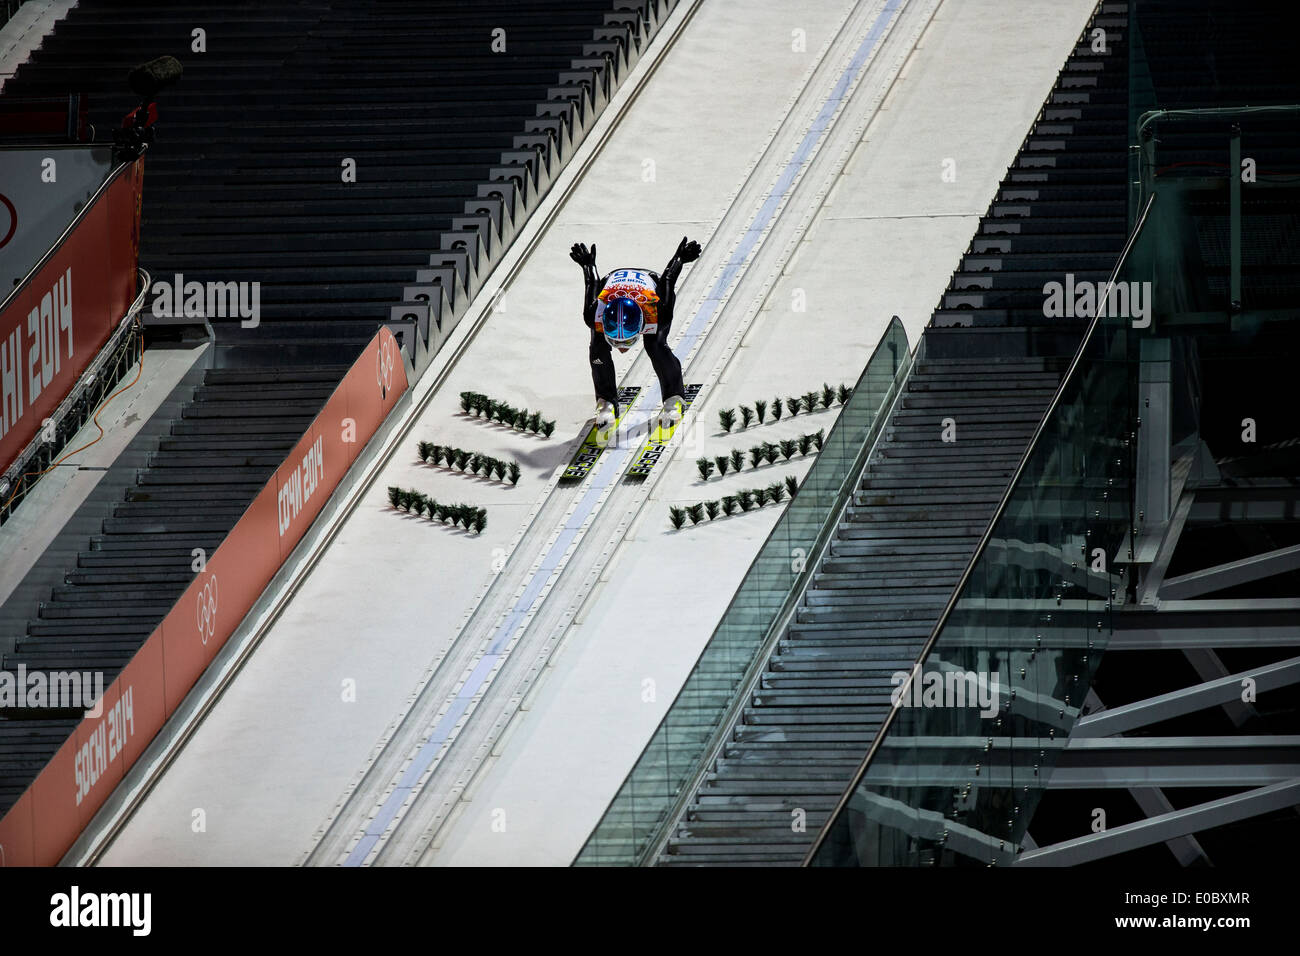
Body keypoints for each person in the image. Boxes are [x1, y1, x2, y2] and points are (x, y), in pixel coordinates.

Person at [569, 236, 702, 430]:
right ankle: (606, 400)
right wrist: (588, 265)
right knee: (597, 349)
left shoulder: (658, 312)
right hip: (613, 286)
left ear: (641, 325)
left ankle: (674, 396)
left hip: (651, 286)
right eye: (616, 342)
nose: (622, 349)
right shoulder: (594, 313)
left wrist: (679, 259)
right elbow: (593, 285)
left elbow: (667, 280)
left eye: (628, 341)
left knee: (655, 346)